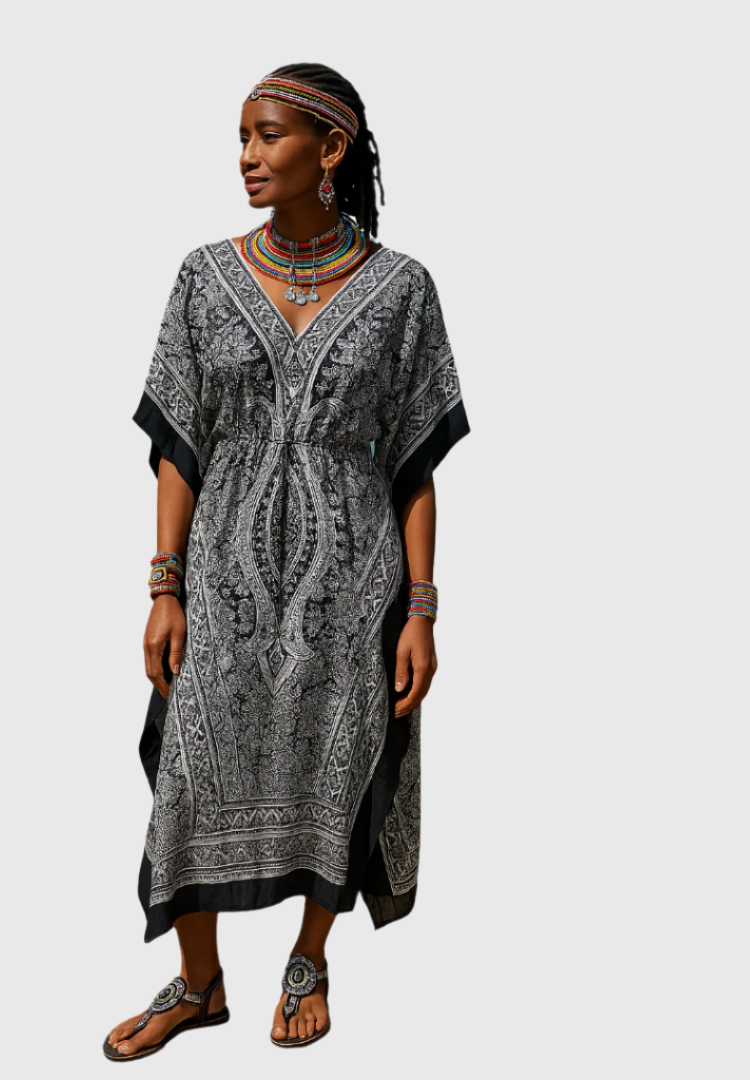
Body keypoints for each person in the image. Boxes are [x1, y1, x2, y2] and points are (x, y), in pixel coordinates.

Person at [104, 63, 470, 1060]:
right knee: (188, 770)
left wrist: (421, 611)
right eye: (242, 137)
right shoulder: (202, 276)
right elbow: (179, 446)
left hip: (351, 592)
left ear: (331, 149)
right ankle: (199, 981)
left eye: (267, 136)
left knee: (337, 768)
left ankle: (309, 959)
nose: (247, 157)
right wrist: (164, 587)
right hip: (220, 582)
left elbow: (414, 464)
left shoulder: (403, 289)